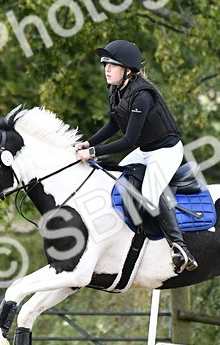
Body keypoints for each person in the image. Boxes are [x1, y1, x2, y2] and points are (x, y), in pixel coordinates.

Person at [74, 40, 199, 273]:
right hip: (145, 150)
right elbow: (114, 124)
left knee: (150, 195)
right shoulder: (116, 90)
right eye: (105, 64)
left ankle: (180, 248)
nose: (107, 69)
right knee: (118, 181)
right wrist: (89, 142)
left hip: (166, 151)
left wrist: (92, 152)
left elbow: (128, 141)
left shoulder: (142, 96)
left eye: (112, 65)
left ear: (128, 70)